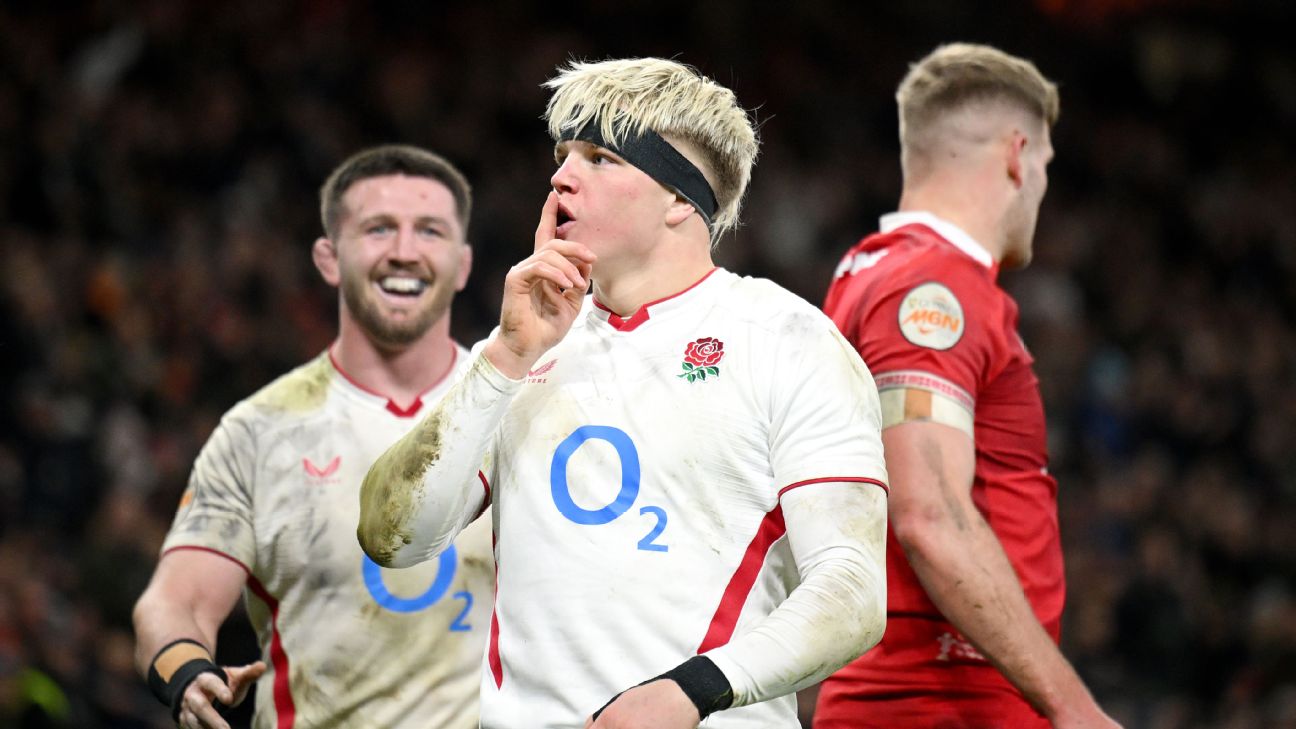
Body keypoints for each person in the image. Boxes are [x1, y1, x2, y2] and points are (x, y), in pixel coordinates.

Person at [357, 58, 890, 729]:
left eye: (601, 158)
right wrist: (507, 357)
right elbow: (392, 537)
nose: (561, 177)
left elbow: (851, 590)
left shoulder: (786, 339)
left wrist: (691, 690)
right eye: (562, 156)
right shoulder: (523, 348)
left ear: (679, 199)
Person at [132, 145, 494, 729]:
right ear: (329, 258)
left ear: (464, 263)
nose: (405, 251)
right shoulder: (259, 432)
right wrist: (186, 670)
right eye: (379, 229)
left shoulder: (521, 409)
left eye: (430, 231)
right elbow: (176, 600)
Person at [814, 44, 1120, 728]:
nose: (1041, 189)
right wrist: (1076, 710)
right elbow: (930, 516)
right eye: (1045, 166)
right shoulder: (932, 288)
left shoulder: (872, 271)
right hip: (938, 701)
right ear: (1017, 154)